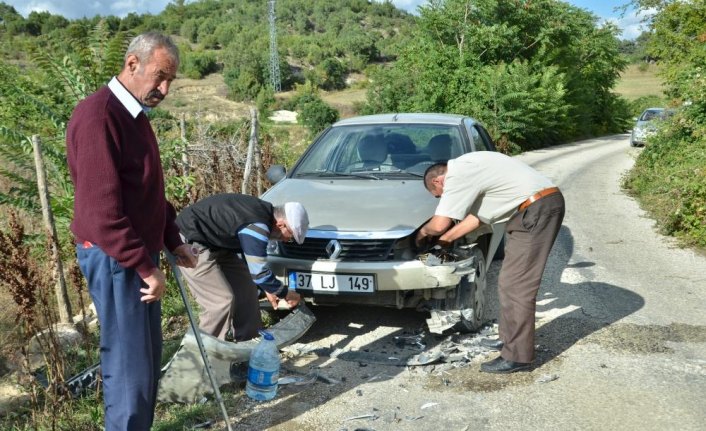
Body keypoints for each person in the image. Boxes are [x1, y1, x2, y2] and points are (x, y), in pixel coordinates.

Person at [66, 32, 197, 430]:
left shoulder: (134, 115)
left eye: (170, 80)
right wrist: (146, 267)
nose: (164, 89)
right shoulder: (100, 116)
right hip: (115, 258)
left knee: (143, 362)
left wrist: (173, 240)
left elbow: (146, 192)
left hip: (132, 257)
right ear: (132, 64)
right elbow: (102, 212)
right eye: (159, 76)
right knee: (129, 370)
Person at [416, 152, 565, 374]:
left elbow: (438, 225)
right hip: (536, 208)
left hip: (536, 210)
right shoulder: (474, 171)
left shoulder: (457, 173)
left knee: (517, 286)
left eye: (437, 195)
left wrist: (421, 234)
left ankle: (518, 357)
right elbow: (477, 219)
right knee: (508, 282)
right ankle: (508, 341)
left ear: (437, 181)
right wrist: (445, 241)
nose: (440, 199)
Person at [175, 193, 308, 341]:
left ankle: (248, 349)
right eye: (288, 236)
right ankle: (207, 358)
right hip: (190, 244)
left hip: (217, 244)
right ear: (281, 224)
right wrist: (285, 293)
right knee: (221, 302)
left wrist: (268, 287)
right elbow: (259, 273)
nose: (285, 240)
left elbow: (252, 261)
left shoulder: (262, 215)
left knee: (248, 291)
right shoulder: (257, 225)